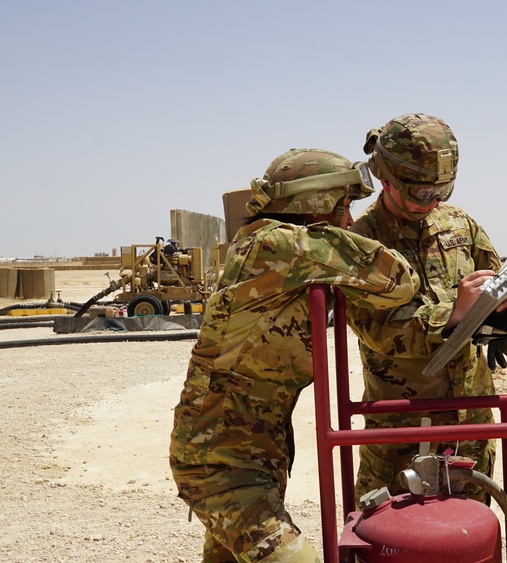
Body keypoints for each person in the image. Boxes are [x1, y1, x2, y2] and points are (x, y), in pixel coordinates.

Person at [169, 148, 418, 562]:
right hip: (224, 466)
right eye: (344, 207)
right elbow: (398, 279)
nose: (352, 220)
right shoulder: (280, 246)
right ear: (316, 205)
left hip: (246, 458)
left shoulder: (273, 249)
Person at [346, 113, 507, 505]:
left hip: (471, 421)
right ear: (386, 179)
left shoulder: (459, 225)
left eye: (442, 191)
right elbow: (375, 329)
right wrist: (454, 314)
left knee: (472, 532)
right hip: (402, 428)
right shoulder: (362, 241)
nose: (431, 202)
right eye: (419, 194)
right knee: (391, 538)